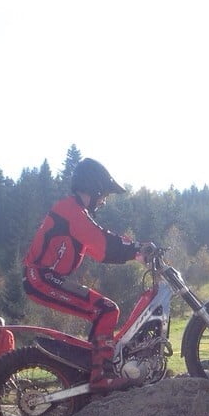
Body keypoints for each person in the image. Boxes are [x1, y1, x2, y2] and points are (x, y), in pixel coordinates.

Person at [22, 157, 154, 392]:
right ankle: (100, 377)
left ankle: (93, 368)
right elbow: (101, 243)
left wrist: (135, 248)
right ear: (95, 188)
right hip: (40, 277)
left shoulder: (75, 211)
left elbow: (102, 240)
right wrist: (136, 251)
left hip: (47, 277)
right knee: (107, 309)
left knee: (102, 310)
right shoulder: (70, 210)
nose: (103, 201)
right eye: (104, 195)